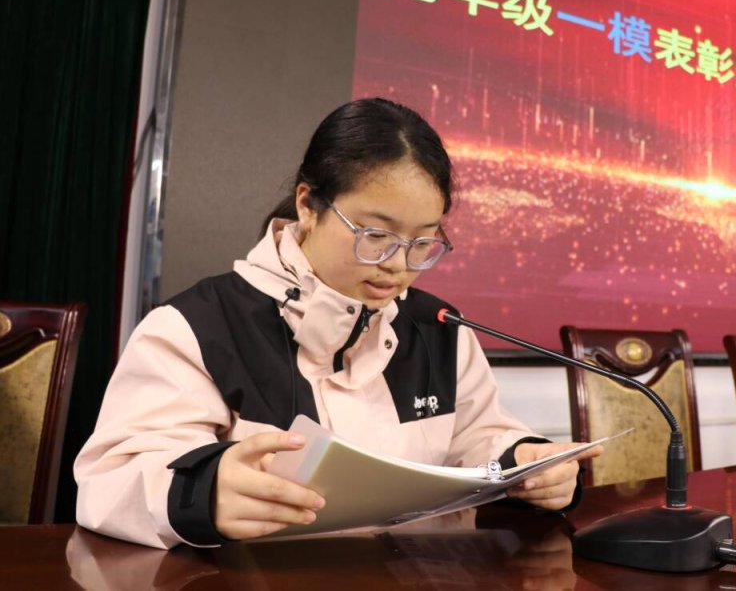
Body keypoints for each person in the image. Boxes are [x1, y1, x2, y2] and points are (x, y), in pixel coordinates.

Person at [75, 98, 601, 549]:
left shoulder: (436, 327)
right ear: (308, 204)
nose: (398, 265)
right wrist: (204, 492)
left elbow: (479, 437)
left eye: (422, 242)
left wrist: (527, 462)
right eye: (377, 235)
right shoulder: (197, 327)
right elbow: (112, 480)